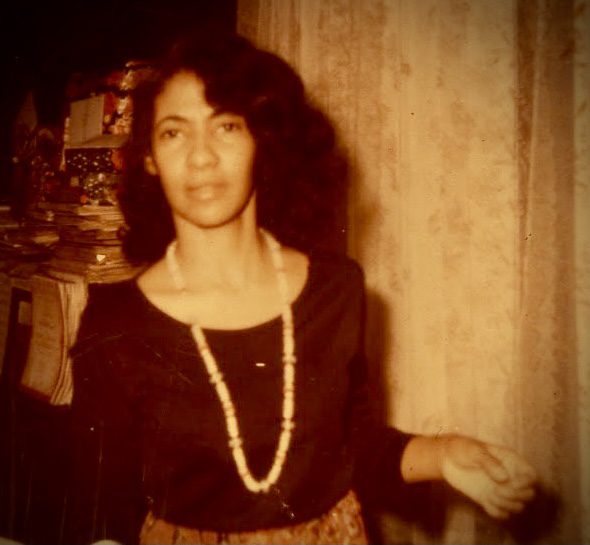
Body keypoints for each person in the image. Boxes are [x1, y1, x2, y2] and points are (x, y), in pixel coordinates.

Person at [65, 32, 537, 545]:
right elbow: (100, 508)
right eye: (174, 132)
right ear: (150, 159)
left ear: (262, 142)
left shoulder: (336, 289)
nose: (201, 157)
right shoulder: (116, 323)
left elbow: (353, 447)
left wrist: (445, 455)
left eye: (227, 126)